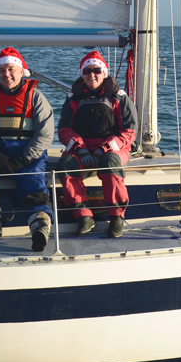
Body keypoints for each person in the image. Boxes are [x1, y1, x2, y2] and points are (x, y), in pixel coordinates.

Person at [0, 47, 54, 252]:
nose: (7, 74)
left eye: (11, 69)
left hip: (28, 153)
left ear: (21, 71)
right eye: (1, 70)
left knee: (34, 182)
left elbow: (45, 134)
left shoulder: (36, 97)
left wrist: (23, 159)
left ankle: (40, 228)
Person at [57, 51, 137, 238]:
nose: (91, 75)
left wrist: (105, 148)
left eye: (96, 71)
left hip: (114, 148)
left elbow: (129, 132)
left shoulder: (119, 97)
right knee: (66, 165)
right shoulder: (73, 98)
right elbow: (64, 129)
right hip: (83, 149)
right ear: (81, 74)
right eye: (87, 71)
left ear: (104, 73)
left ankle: (116, 217)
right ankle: (83, 216)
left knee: (110, 164)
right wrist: (80, 148)